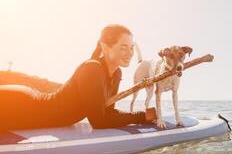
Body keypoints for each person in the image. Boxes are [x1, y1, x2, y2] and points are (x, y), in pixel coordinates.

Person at [0, 24, 156, 130]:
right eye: (123, 47)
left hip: (27, 105)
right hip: (20, 106)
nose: (130, 53)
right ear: (105, 47)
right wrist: (141, 117)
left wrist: (143, 115)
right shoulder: (92, 68)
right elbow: (98, 121)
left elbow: (107, 113)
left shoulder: (116, 74)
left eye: (131, 48)